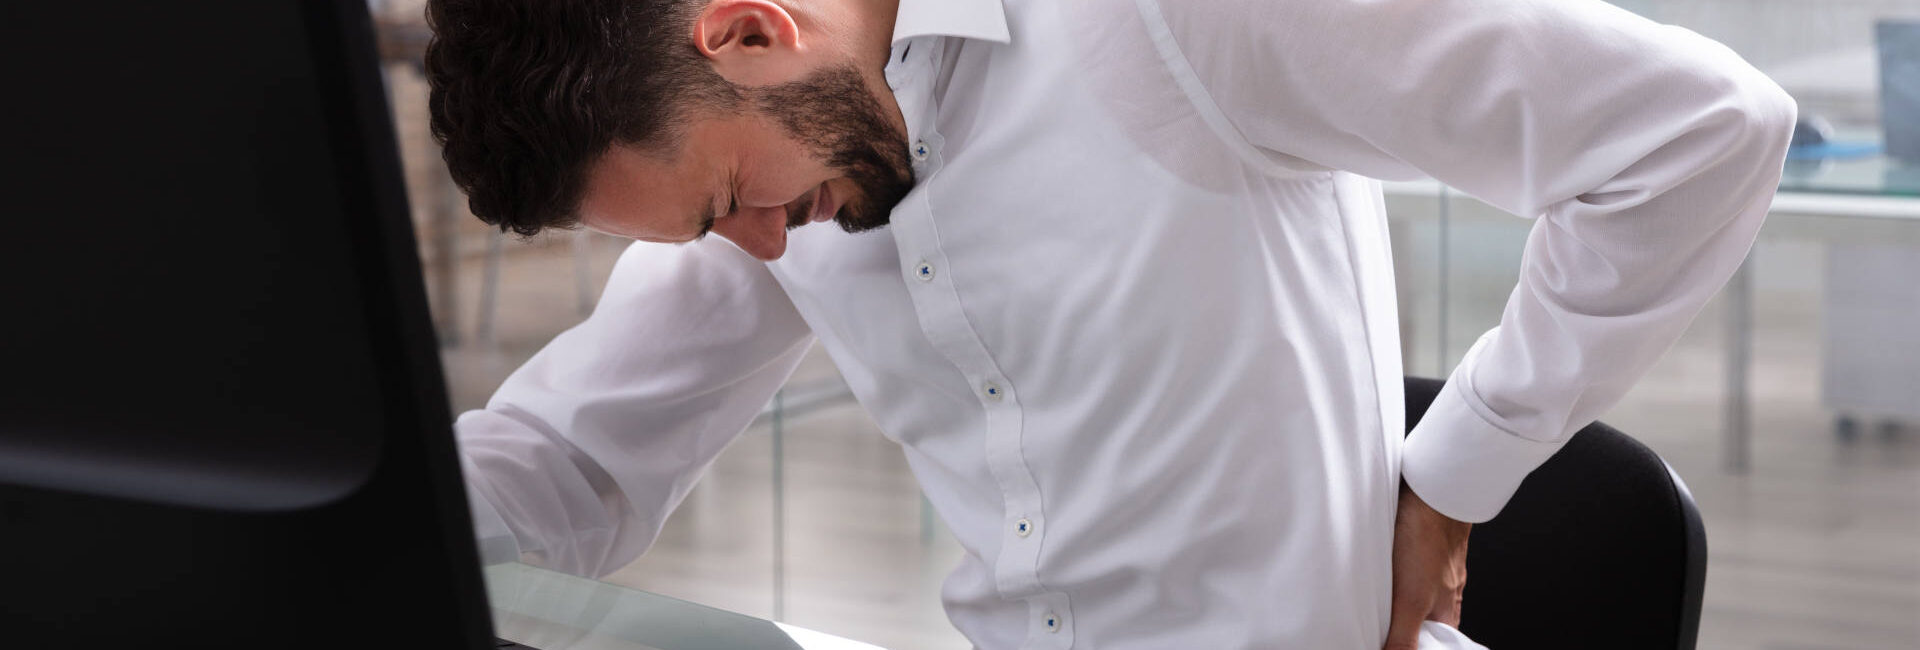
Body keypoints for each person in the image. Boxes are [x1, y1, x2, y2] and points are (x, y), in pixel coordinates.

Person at [424, 0, 1795, 647]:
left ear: (747, 29)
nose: (759, 247)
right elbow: (572, 460)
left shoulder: (1164, 23)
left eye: (730, 197)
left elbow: (1698, 135)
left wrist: (1458, 467)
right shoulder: (800, 162)